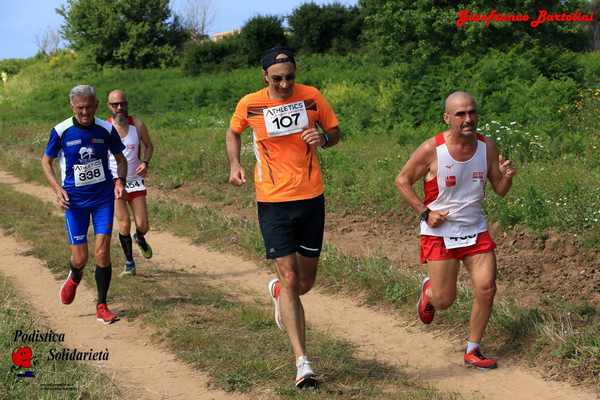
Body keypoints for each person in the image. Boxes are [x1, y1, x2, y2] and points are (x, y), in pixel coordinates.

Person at [226, 47, 341, 388]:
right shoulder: (250, 104)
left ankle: (278, 292)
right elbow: (233, 132)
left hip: (310, 198)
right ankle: (302, 362)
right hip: (272, 200)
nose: (285, 83)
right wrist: (234, 164)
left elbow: (336, 131)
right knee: (292, 278)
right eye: (278, 78)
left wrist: (323, 137)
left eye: (290, 77)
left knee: (305, 283)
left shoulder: (312, 97)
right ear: (265, 77)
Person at [395, 91, 516, 369]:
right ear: (447, 117)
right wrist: (425, 212)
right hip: (439, 233)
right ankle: (429, 294)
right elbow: (402, 180)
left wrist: (507, 177)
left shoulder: (488, 147)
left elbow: (499, 189)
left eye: (472, 112)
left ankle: (473, 349)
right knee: (444, 300)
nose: (468, 119)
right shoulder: (431, 149)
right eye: (460, 114)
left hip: (476, 229)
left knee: (486, 288)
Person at [41, 84, 128, 325]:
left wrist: (120, 180)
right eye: (80, 108)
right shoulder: (61, 131)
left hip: (102, 199)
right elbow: (46, 161)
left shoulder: (106, 128)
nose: (85, 113)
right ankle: (74, 276)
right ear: (72, 106)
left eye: (89, 107)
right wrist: (57, 189)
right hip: (74, 202)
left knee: (102, 251)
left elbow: (121, 159)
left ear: (97, 105)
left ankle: (102, 305)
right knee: (80, 258)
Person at [106, 89, 154, 277]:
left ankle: (139, 237)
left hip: (135, 181)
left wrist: (145, 162)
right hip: (114, 182)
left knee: (143, 225)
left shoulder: (138, 125)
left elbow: (149, 146)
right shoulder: (104, 128)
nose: (119, 107)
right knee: (124, 223)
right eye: (115, 104)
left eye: (122, 104)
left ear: (127, 104)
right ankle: (129, 263)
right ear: (109, 106)